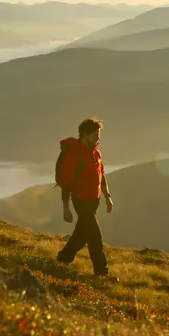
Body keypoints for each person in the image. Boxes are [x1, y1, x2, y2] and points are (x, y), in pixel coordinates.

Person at [55, 117, 117, 280]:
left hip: (94, 200)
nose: (98, 138)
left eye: (98, 135)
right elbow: (67, 183)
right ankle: (101, 272)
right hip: (80, 201)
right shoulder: (74, 155)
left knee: (81, 234)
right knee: (95, 236)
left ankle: (63, 258)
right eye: (95, 135)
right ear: (85, 135)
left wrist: (107, 197)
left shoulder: (96, 152)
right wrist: (66, 208)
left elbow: (101, 175)